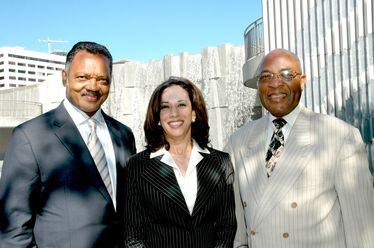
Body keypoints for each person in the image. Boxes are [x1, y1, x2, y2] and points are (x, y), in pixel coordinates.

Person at [225, 49, 374, 247]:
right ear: (258, 85)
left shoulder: (340, 137)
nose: (275, 83)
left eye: (286, 74)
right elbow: (236, 230)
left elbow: (361, 227)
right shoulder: (238, 142)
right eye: (266, 76)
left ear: (302, 81)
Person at [0, 41, 136, 247]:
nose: (92, 86)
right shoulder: (30, 136)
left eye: (102, 79)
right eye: (82, 77)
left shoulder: (123, 134)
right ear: (64, 77)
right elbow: (13, 229)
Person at [123, 76, 236, 247]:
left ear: (193, 113)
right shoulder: (137, 165)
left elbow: (226, 226)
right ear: (158, 118)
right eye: (165, 107)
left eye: (181, 105)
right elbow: (133, 234)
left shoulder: (221, 162)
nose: (174, 113)